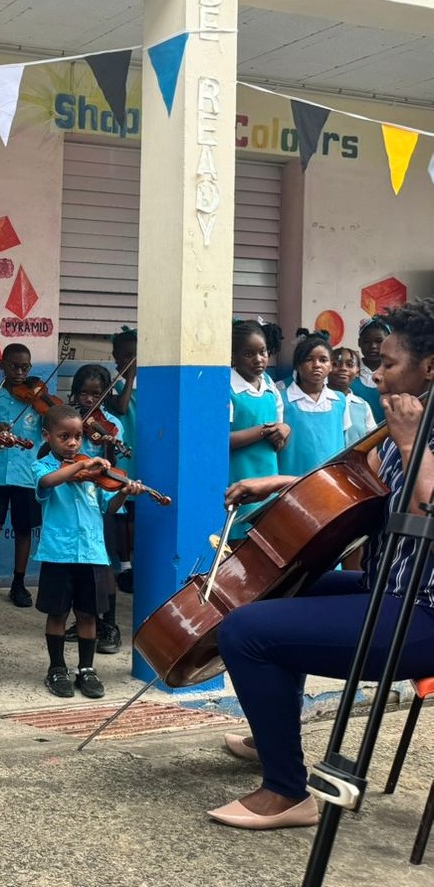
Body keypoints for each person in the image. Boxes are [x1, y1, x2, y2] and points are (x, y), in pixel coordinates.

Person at [211, 300, 434, 830]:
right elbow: (357, 490)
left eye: (390, 363)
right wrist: (279, 484)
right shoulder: (403, 424)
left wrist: (408, 439)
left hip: (423, 611)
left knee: (246, 633)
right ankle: (274, 737)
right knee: (277, 592)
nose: (375, 373)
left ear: (430, 367)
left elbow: (429, 507)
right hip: (390, 585)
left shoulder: (412, 429)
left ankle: (288, 793)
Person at [33, 404, 141, 700]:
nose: (72, 443)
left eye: (78, 437)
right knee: (57, 612)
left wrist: (122, 491)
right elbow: (46, 484)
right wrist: (78, 467)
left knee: (88, 614)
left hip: (92, 554)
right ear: (47, 436)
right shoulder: (44, 466)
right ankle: (56, 667)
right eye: (64, 437)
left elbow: (110, 508)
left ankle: (86, 669)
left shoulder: (94, 475)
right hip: (59, 553)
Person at [0, 342, 42, 607]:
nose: (19, 372)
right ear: (1, 364)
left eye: (25, 367)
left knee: (23, 529)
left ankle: (18, 583)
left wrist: (44, 405)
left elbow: (52, 426)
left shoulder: (37, 399)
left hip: (27, 473)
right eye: (14, 366)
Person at [67, 363, 124, 654]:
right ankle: (84, 619)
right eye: (84, 394)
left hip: (101, 499)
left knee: (104, 565)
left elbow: (113, 467)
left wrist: (110, 445)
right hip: (71, 503)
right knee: (77, 566)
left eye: (96, 394)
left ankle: (109, 625)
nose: (89, 400)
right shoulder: (67, 421)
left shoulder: (112, 424)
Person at [228, 320, 289, 539]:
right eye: (248, 354)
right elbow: (222, 441)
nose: (258, 359)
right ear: (233, 355)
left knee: (265, 537)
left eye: (262, 352)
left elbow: (279, 438)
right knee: (237, 539)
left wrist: (284, 431)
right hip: (238, 477)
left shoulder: (270, 386)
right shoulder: (227, 387)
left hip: (268, 478)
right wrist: (263, 431)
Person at [277, 333, 351, 477]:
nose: (317, 365)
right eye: (309, 359)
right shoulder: (282, 400)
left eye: (323, 360)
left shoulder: (339, 401)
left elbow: (344, 439)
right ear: (298, 366)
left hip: (332, 481)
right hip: (291, 482)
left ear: (330, 366)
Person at [108, 327, 138, 595]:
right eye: (126, 356)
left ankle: (136, 562)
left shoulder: (151, 383)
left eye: (136, 355)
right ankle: (125, 564)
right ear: (116, 357)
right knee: (122, 512)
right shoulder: (114, 384)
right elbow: (122, 406)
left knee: (136, 515)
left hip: (142, 454)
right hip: (123, 454)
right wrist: (128, 377)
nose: (132, 360)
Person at [351, 317, 390, 422]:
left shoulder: (394, 373)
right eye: (367, 341)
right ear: (359, 342)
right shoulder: (350, 371)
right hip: (358, 437)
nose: (373, 346)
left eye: (379, 341)